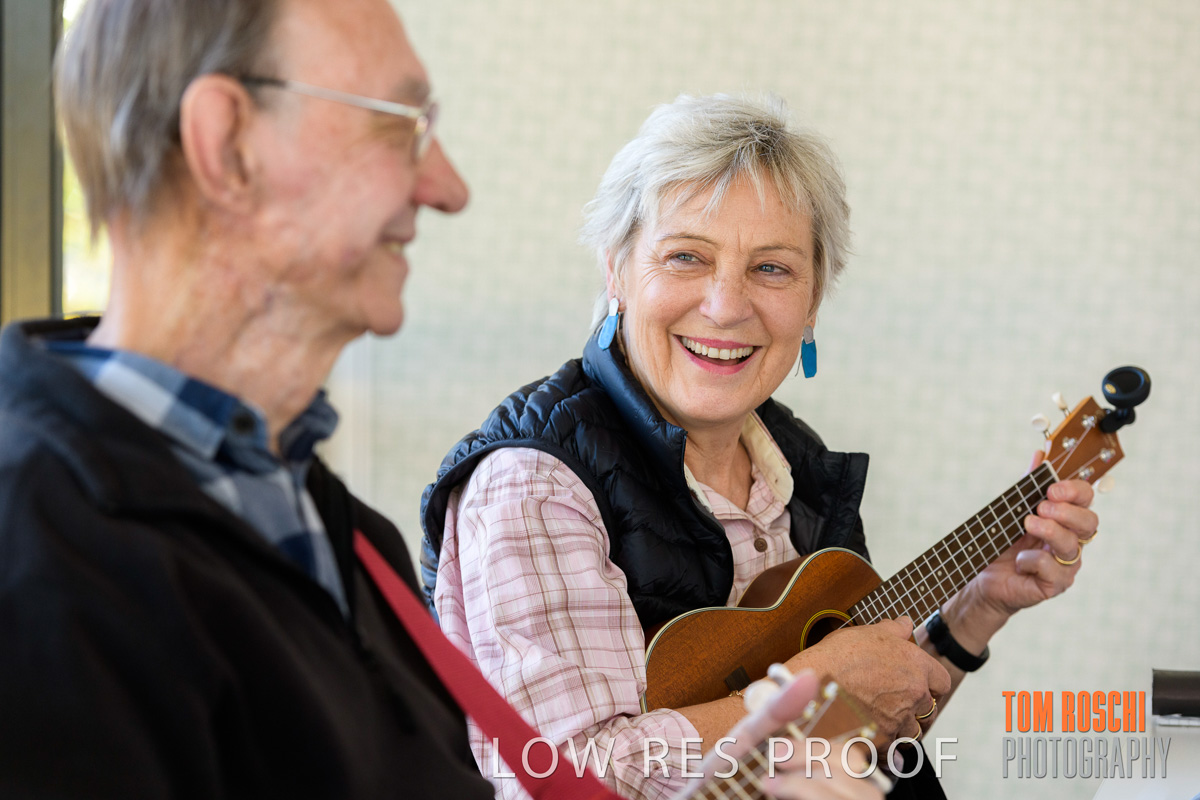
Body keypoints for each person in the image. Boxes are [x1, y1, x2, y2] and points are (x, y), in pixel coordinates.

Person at [0, 2, 884, 799]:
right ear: (226, 143)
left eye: (773, 268)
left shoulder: (337, 529)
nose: (447, 186)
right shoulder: (38, 552)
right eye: (397, 125)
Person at [421, 93, 1100, 799]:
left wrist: (977, 607)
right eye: (686, 257)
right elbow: (558, 777)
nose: (725, 306)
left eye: (772, 269)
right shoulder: (535, 484)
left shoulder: (796, 462)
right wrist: (814, 685)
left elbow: (861, 742)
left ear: (812, 305)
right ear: (616, 270)